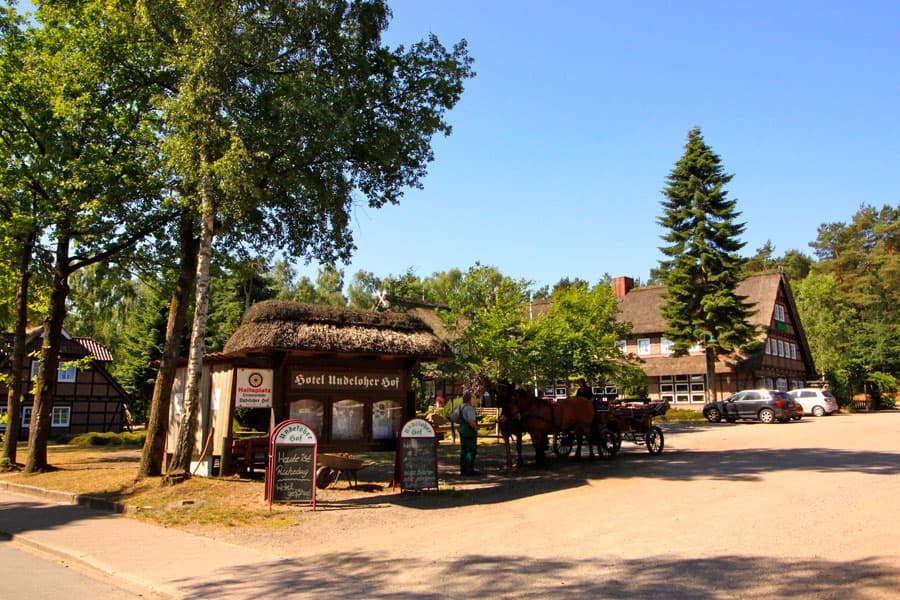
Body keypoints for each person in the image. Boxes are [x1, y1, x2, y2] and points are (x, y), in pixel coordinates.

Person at [451, 391, 480, 476]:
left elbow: (453, 417)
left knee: (463, 451)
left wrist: (460, 421)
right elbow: (471, 421)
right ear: (470, 399)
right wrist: (476, 427)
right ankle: (469, 470)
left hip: (462, 431)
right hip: (469, 432)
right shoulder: (469, 408)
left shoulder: (459, 407)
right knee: (471, 451)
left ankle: (463, 469)